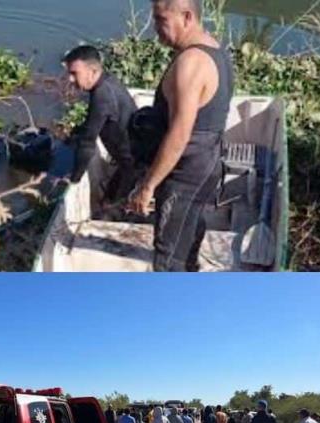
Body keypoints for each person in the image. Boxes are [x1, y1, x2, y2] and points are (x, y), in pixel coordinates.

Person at [126, 0, 235, 271]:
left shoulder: (191, 62)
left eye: (161, 20)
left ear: (187, 17)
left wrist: (148, 185)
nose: (155, 29)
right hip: (207, 163)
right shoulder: (215, 48)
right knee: (189, 232)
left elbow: (179, 134)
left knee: (168, 253)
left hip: (186, 173)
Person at [61, 45, 138, 212]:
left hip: (134, 165)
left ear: (93, 71)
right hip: (132, 156)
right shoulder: (108, 81)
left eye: (74, 73)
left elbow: (88, 144)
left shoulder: (102, 96)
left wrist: (74, 179)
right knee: (110, 195)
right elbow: (92, 124)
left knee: (109, 207)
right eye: (69, 73)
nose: (70, 79)